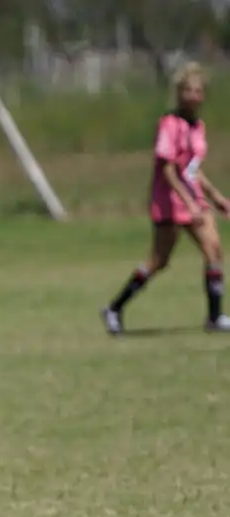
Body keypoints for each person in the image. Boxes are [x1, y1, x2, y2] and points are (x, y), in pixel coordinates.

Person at [103, 62, 230, 335]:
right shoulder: (169, 125)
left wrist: (215, 196)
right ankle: (114, 308)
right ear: (178, 93)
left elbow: (192, 169)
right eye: (187, 90)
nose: (192, 95)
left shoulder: (198, 127)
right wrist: (189, 202)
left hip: (192, 198)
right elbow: (168, 169)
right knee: (159, 260)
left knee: (214, 250)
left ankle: (215, 316)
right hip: (170, 200)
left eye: (197, 90)